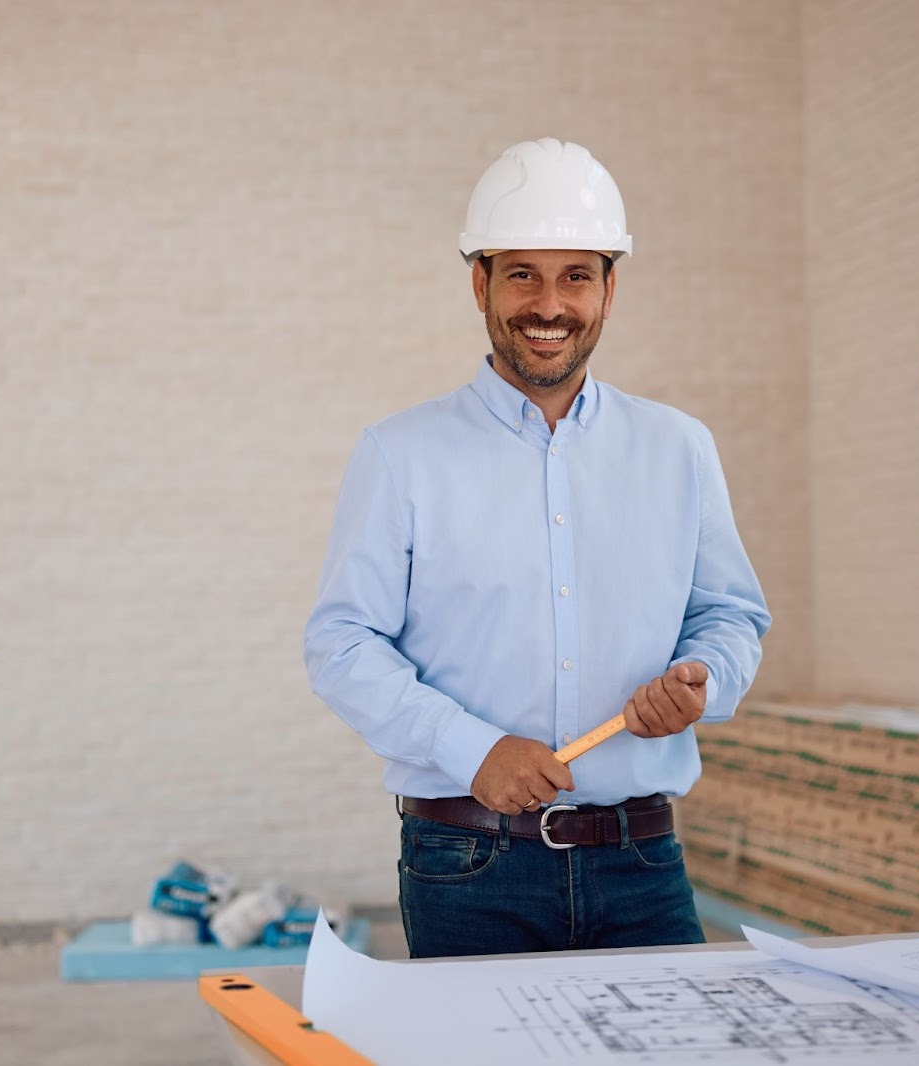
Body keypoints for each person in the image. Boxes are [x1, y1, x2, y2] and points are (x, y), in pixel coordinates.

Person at [304, 138, 770, 959]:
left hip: (644, 862)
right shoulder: (399, 454)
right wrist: (471, 749)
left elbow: (729, 617)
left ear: (609, 289)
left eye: (576, 276)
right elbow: (341, 645)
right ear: (479, 281)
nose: (549, 304)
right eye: (522, 273)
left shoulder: (680, 449)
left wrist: (705, 683)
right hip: (469, 866)